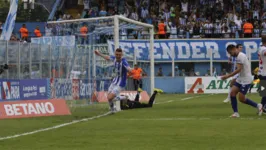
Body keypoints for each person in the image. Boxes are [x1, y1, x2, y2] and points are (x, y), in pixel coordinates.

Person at [221, 44, 262, 118]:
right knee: (232, 93)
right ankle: (236, 113)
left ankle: (258, 105)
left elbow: (238, 69)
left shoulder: (240, 56)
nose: (231, 55)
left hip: (246, 80)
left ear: (234, 49)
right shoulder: (238, 56)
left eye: (231, 53)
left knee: (241, 99)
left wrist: (227, 76)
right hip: (240, 78)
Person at [95, 48, 132, 112]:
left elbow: (129, 68)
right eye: (116, 54)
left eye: (119, 55)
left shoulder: (123, 61)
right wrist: (99, 54)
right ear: (115, 54)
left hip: (121, 83)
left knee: (110, 97)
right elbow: (107, 57)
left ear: (122, 55)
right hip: (115, 81)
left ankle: (124, 97)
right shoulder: (114, 58)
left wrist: (129, 70)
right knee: (109, 98)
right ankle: (112, 109)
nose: (118, 56)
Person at [258, 35, 266, 112]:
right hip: (264, 73)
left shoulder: (260, 48)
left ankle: (262, 107)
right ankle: (262, 107)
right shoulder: (263, 49)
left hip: (262, 72)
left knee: (264, 92)